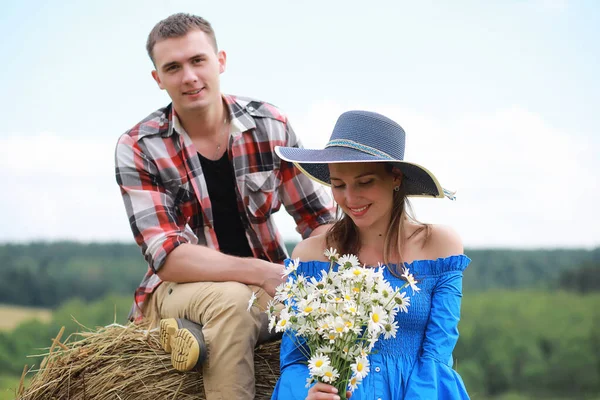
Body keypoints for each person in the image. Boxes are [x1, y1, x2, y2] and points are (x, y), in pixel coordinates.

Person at [114, 13, 335, 400]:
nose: (189, 77)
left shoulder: (270, 125)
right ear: (158, 79)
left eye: (198, 60)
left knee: (322, 311)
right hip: (178, 289)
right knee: (233, 302)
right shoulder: (139, 146)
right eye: (173, 67)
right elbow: (168, 257)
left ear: (221, 61)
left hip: (263, 287)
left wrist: (330, 281)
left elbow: (318, 221)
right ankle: (174, 326)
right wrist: (264, 272)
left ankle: (193, 335)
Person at [270, 110, 471, 399]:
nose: (350, 199)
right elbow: (295, 359)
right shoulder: (311, 256)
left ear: (395, 178)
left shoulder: (440, 246)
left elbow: (437, 354)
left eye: (365, 183)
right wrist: (307, 394)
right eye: (338, 185)